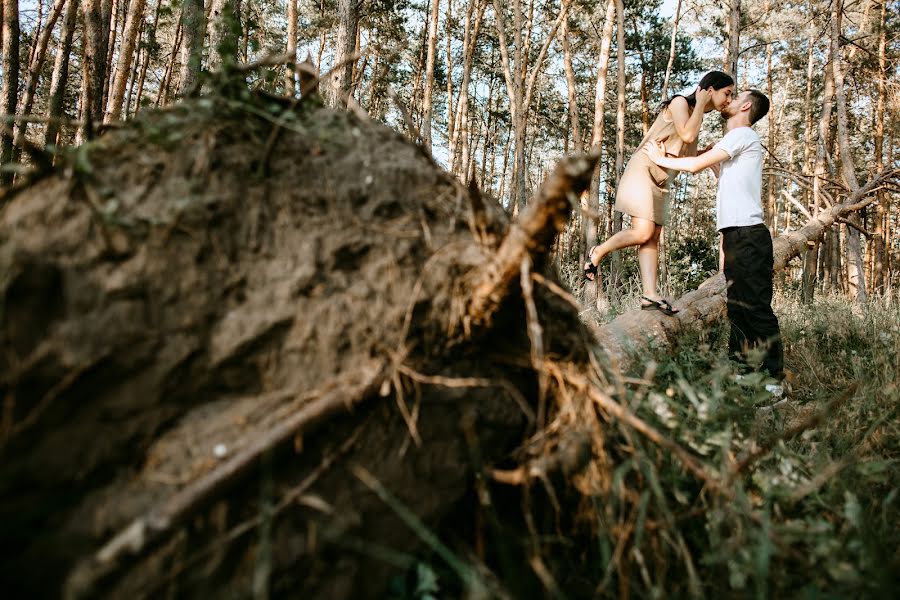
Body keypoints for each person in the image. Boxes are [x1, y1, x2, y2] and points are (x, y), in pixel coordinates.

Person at [646, 89, 783, 388]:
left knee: (756, 309)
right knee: (737, 308)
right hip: (735, 235)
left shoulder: (742, 134)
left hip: (748, 235)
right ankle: (742, 373)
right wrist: (707, 161)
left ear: (745, 106)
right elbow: (722, 177)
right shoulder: (740, 142)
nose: (728, 101)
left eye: (735, 97)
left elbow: (693, 165)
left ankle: (774, 382)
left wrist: (660, 158)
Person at [584, 71, 735, 316]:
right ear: (710, 90)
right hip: (643, 169)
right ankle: (598, 251)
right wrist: (700, 105)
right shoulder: (680, 103)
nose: (729, 100)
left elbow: (685, 158)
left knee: (652, 237)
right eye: (727, 93)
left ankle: (649, 295)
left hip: (662, 180)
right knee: (643, 232)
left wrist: (703, 153)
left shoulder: (697, 117)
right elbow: (686, 134)